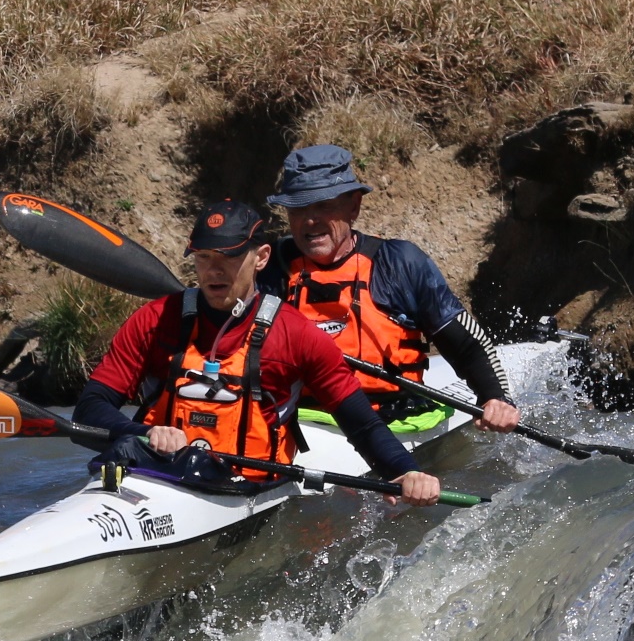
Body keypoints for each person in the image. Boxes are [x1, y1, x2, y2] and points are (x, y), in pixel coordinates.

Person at [73, 200, 444, 506]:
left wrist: (404, 471)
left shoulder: (296, 335)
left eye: (229, 257)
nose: (213, 271)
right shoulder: (154, 320)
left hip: (246, 493)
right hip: (152, 476)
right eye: (203, 257)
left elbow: (362, 425)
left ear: (262, 257)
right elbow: (90, 408)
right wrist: (143, 432)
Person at [262, 144, 522, 433]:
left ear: (353, 206)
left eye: (323, 205)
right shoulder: (270, 268)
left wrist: (495, 397)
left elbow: (467, 345)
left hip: (392, 418)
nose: (310, 220)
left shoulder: (398, 263)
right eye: (299, 208)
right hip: (300, 415)